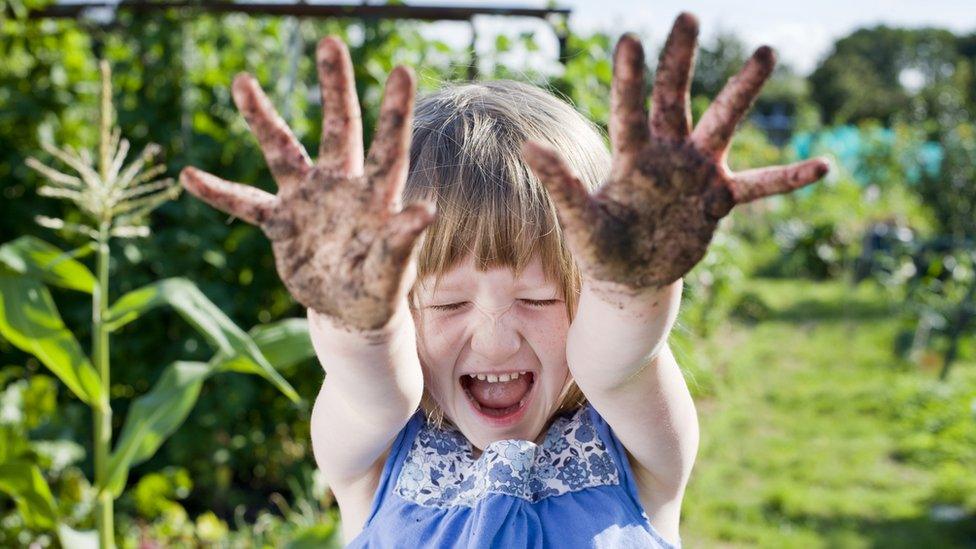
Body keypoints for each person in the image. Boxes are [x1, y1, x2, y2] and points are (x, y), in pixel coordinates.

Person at [179, 12, 829, 548]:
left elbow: (617, 358)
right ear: (396, 308)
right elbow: (373, 381)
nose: (494, 337)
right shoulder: (374, 453)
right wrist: (353, 316)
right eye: (449, 300)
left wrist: (636, 282)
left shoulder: (636, 440)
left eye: (538, 296)